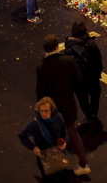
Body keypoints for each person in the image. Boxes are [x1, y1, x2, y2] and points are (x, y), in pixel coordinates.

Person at [36, 36, 91, 175]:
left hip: (52, 106)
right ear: (57, 47)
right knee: (72, 132)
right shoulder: (68, 61)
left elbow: (40, 90)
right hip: (68, 103)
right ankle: (83, 164)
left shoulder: (42, 66)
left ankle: (56, 164)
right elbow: (78, 80)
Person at [19, 97, 90, 178]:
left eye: (46, 111)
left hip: (59, 153)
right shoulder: (35, 124)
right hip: (45, 157)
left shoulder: (58, 118)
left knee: (62, 175)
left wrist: (64, 142)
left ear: (51, 110)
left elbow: (64, 131)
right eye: (41, 111)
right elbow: (22, 136)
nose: (43, 114)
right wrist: (33, 147)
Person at [65, 21, 103, 123]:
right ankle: (94, 114)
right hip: (92, 77)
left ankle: (88, 115)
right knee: (95, 96)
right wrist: (98, 73)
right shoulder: (91, 44)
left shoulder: (69, 45)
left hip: (78, 80)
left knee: (83, 99)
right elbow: (98, 60)